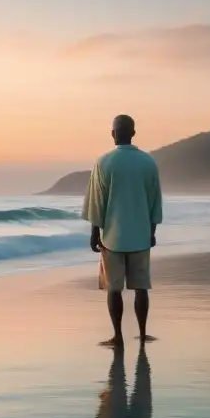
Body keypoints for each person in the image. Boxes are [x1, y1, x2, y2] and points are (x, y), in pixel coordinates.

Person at [82, 114, 163, 346]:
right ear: (134, 133)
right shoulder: (148, 163)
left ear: (113, 134)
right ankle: (143, 333)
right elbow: (154, 200)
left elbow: (97, 202)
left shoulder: (104, 162)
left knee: (113, 289)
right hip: (140, 235)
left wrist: (94, 232)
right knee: (141, 287)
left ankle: (117, 336)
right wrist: (152, 230)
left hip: (112, 237)